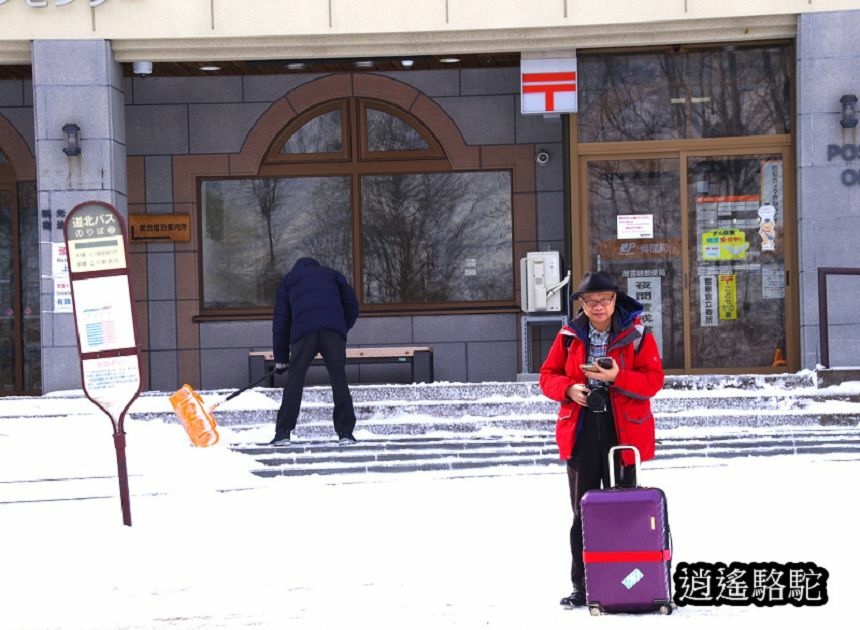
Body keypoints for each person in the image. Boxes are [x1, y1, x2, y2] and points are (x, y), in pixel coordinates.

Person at [539, 270, 664, 608]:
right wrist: (569, 388)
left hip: (624, 431)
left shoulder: (636, 334)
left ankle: (629, 579)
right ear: (581, 303)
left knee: (626, 510)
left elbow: (653, 381)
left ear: (614, 300)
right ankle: (583, 585)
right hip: (581, 430)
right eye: (590, 301)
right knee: (584, 511)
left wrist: (617, 377)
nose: (597, 307)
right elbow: (547, 376)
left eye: (604, 300)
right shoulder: (568, 336)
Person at [269, 257, 360, 446]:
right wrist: (341, 327)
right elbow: (352, 304)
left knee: (295, 381)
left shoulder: (289, 280)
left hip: (303, 332)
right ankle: (345, 432)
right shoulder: (333, 275)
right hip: (332, 332)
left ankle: (283, 433)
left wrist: (281, 359)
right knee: (338, 379)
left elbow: (281, 321)